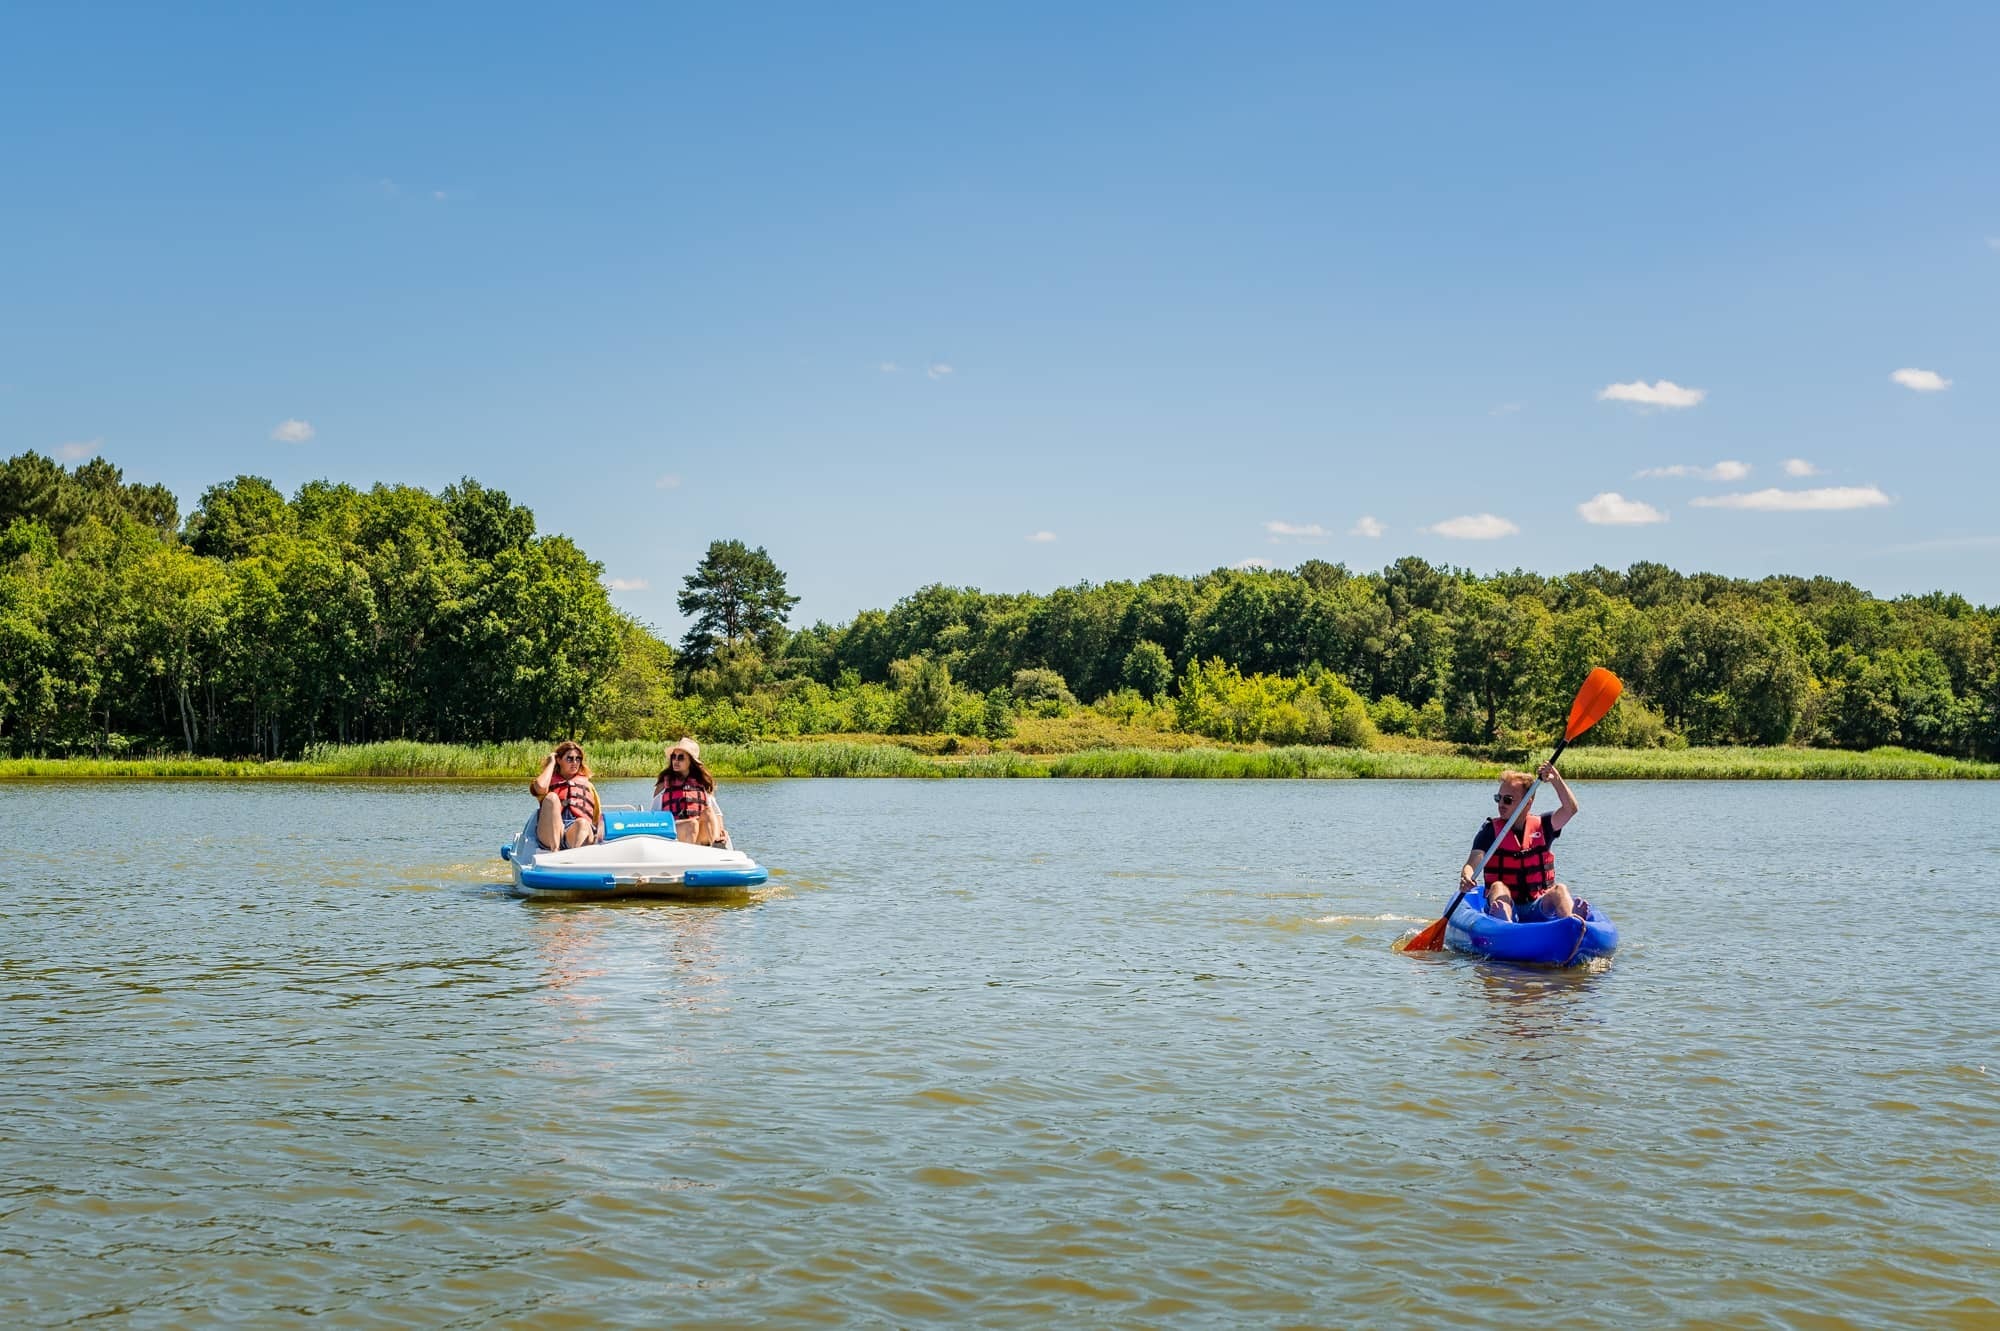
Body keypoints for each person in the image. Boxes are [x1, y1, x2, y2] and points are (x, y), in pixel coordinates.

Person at [1459, 760, 1587, 922]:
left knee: (1560, 889)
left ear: (1528, 802)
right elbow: (1473, 862)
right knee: (1498, 887)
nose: (1501, 804)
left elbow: (1570, 809)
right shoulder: (1490, 830)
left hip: (1538, 904)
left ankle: (1572, 922)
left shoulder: (1545, 825)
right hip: (1506, 904)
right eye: (1499, 798)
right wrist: (1467, 875)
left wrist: (1556, 779)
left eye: (1508, 799)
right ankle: (1504, 924)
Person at [654, 737, 727, 847]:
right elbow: (654, 814)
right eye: (674, 757)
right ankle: (689, 858)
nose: (676, 761)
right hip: (673, 834)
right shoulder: (663, 786)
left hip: (698, 834)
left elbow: (716, 813)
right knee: (691, 824)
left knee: (708, 812)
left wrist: (721, 830)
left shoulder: (702, 784)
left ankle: (718, 845)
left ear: (691, 762)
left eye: (681, 757)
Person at [531, 741, 602, 851]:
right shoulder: (548, 783)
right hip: (550, 833)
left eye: (578, 759)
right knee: (551, 798)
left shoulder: (588, 786)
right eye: (570, 758)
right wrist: (551, 762)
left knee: (582, 823)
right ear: (559, 760)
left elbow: (596, 818)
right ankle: (555, 852)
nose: (575, 762)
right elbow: (540, 787)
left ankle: (575, 861)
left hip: (575, 833)